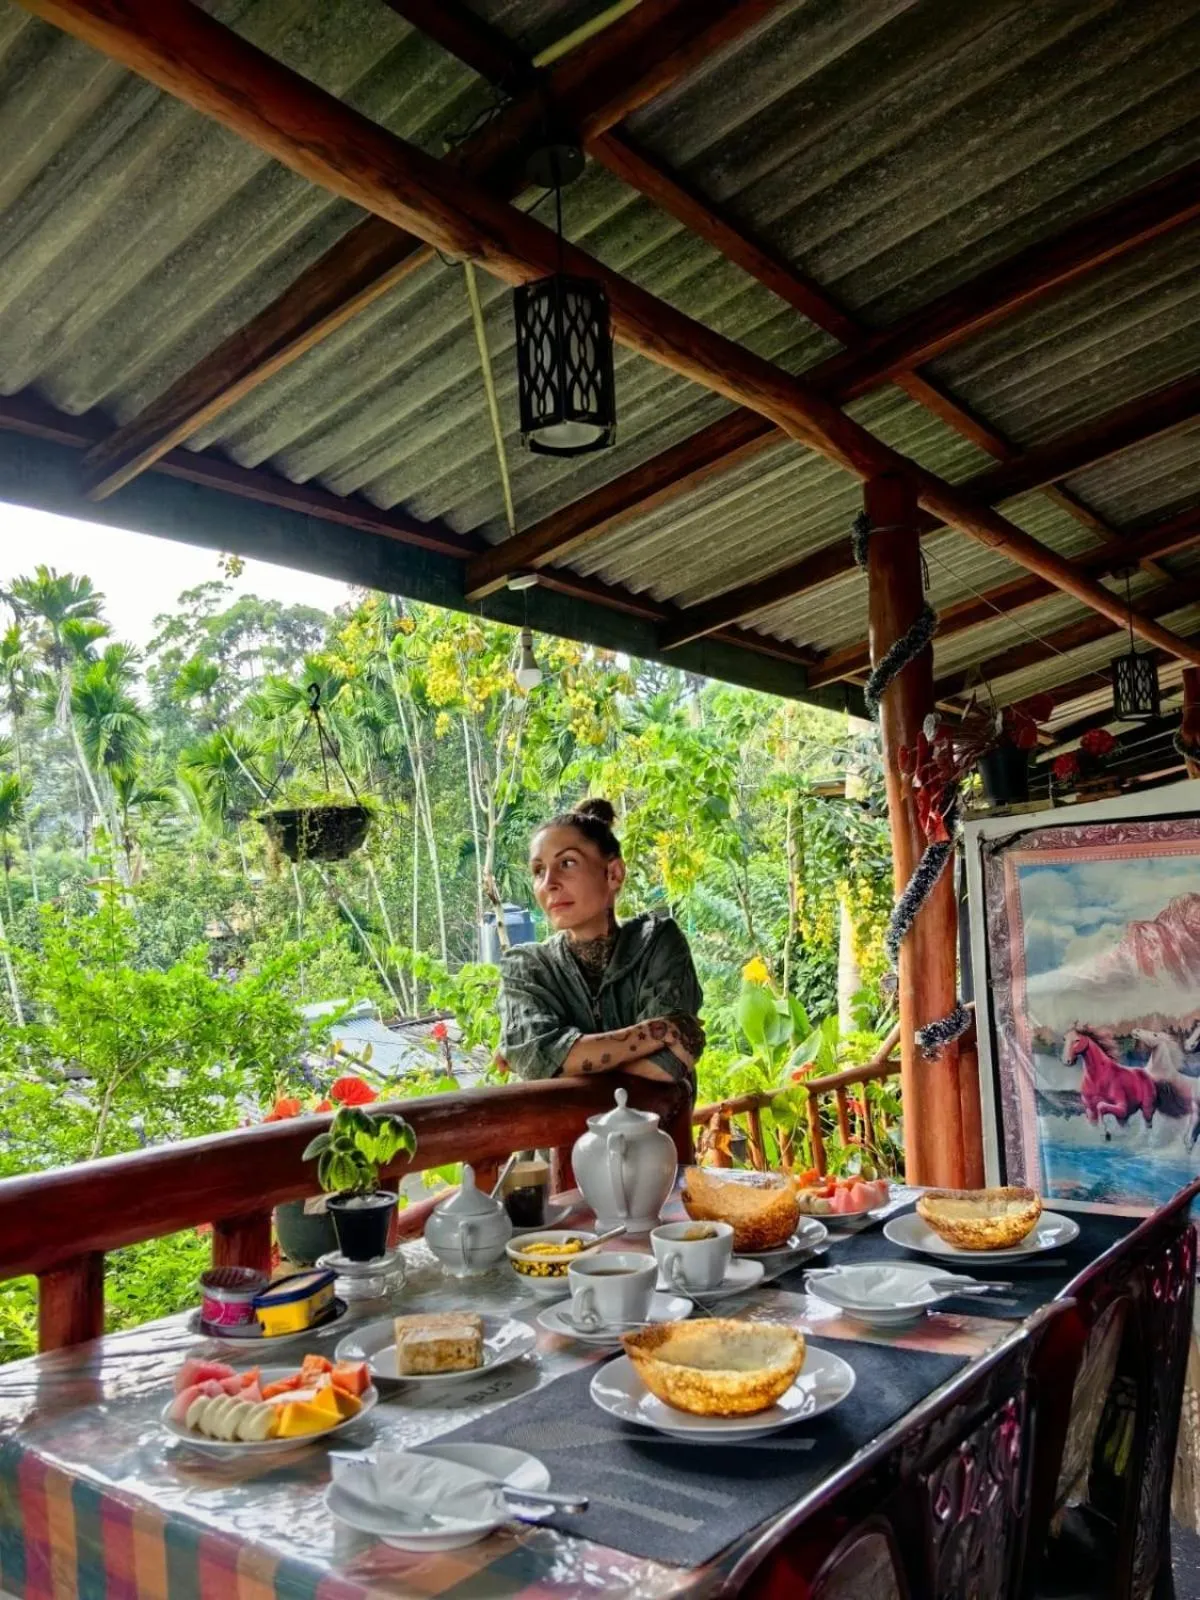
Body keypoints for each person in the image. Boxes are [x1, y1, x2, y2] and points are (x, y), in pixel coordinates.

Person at [496, 798, 705, 1087]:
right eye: (538, 871)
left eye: (567, 863)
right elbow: (535, 1056)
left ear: (614, 874)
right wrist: (655, 1031)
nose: (549, 883)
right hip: (562, 1134)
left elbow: (671, 1063)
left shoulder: (657, 942)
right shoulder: (527, 967)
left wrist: (562, 1063)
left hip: (653, 1131)